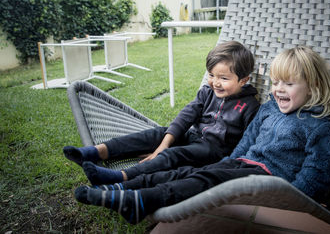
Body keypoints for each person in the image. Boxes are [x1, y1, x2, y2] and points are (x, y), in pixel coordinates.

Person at [73, 45, 330, 225]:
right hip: (241, 165)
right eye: (275, 82)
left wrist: (290, 193)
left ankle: (144, 200)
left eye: (289, 83)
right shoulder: (270, 108)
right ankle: (122, 189)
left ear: (313, 85)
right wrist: (230, 162)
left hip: (273, 178)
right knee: (183, 173)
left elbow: (317, 177)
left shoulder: (320, 126)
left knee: (205, 175)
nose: (278, 90)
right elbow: (248, 140)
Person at [64, 40, 260, 185]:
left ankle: (123, 176)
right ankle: (96, 152)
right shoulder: (207, 93)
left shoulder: (250, 106)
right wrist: (163, 144)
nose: (215, 82)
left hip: (212, 150)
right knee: (155, 134)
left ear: (243, 80)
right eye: (211, 75)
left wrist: (227, 163)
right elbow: (186, 116)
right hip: (192, 136)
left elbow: (248, 140)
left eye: (223, 78)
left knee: (173, 155)